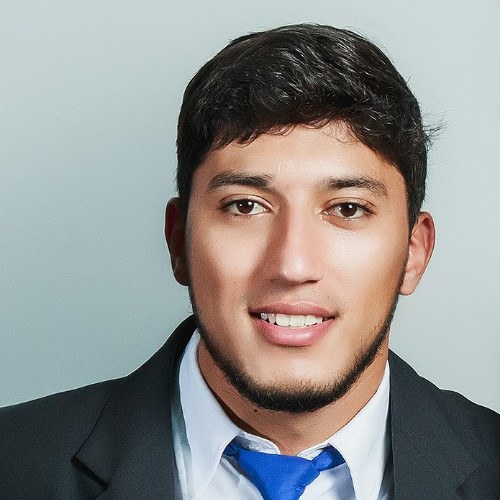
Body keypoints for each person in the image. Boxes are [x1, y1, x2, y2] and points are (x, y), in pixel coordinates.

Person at [0, 23, 498, 500]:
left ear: (414, 253)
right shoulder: (14, 464)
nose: (293, 265)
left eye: (347, 209)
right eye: (245, 206)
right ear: (178, 241)